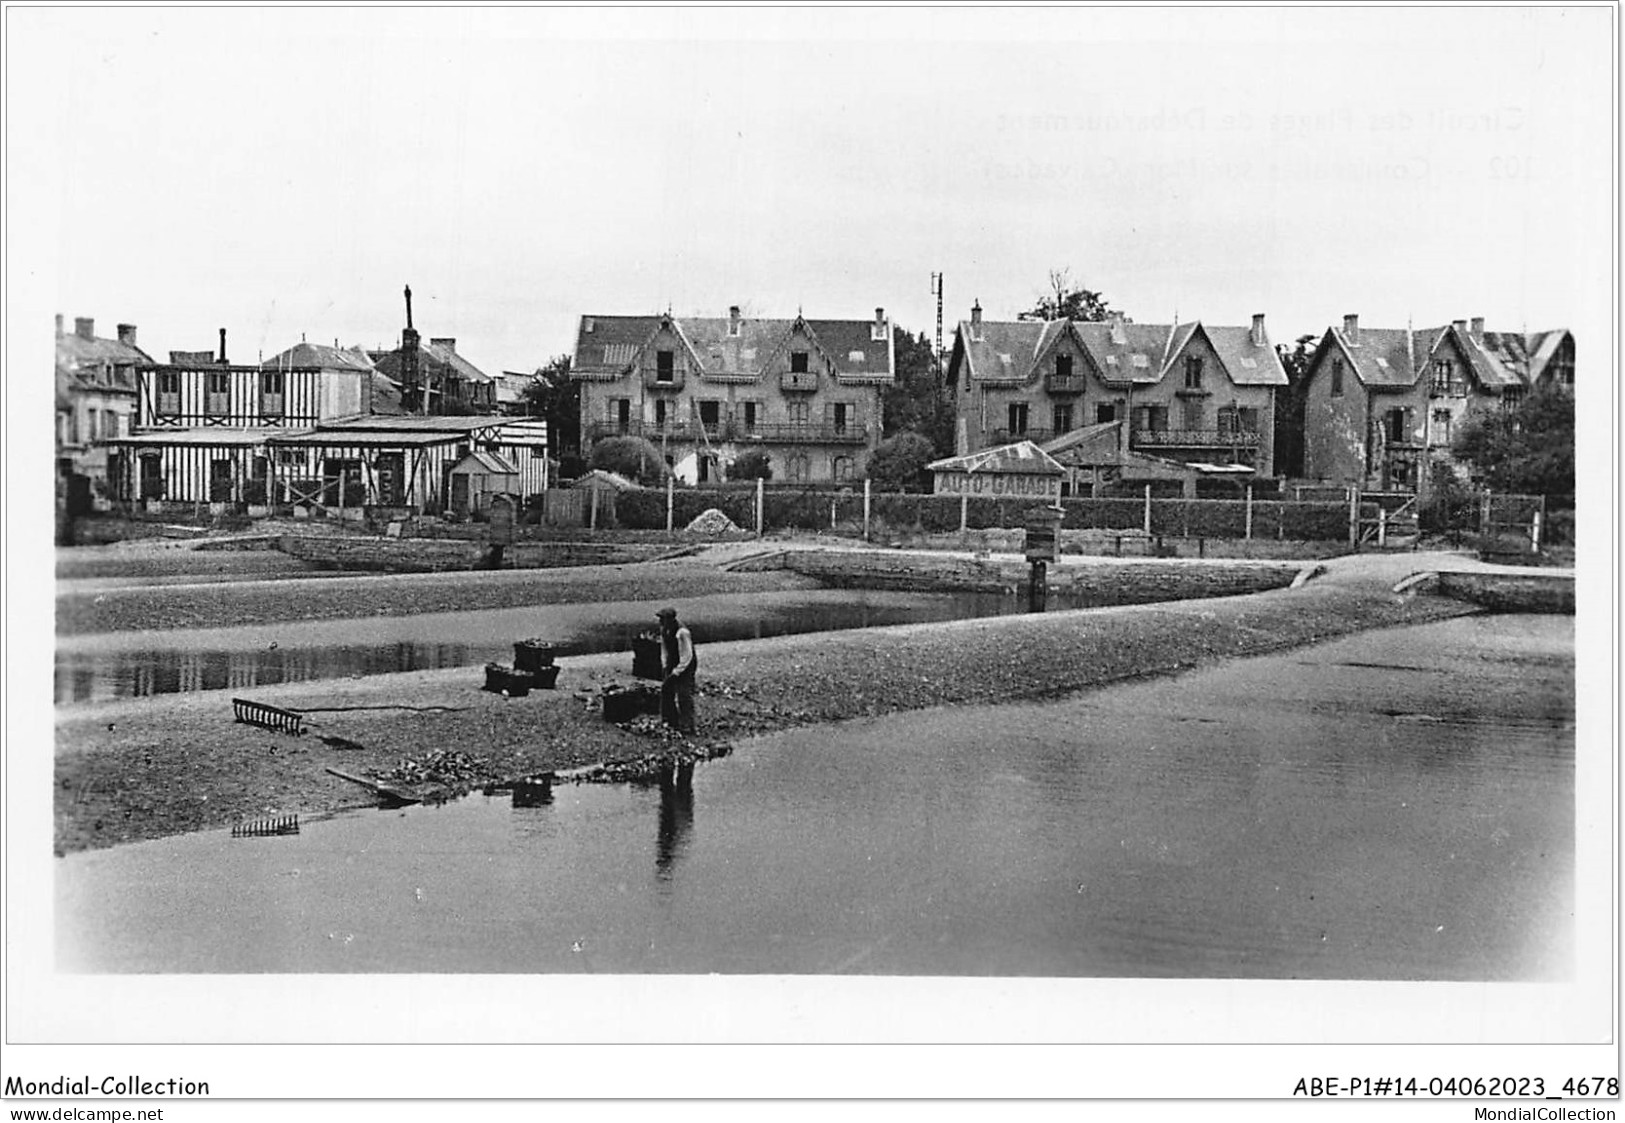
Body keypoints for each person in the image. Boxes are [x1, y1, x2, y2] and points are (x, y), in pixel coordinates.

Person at [656, 607, 697, 734]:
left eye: (662, 619)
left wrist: (676, 673)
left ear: (670, 619)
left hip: (686, 665)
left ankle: (687, 724)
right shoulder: (664, 631)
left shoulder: (682, 632)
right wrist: (665, 667)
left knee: (684, 694)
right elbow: (664, 649)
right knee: (666, 690)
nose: (660, 622)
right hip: (673, 661)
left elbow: (687, 656)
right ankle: (670, 720)